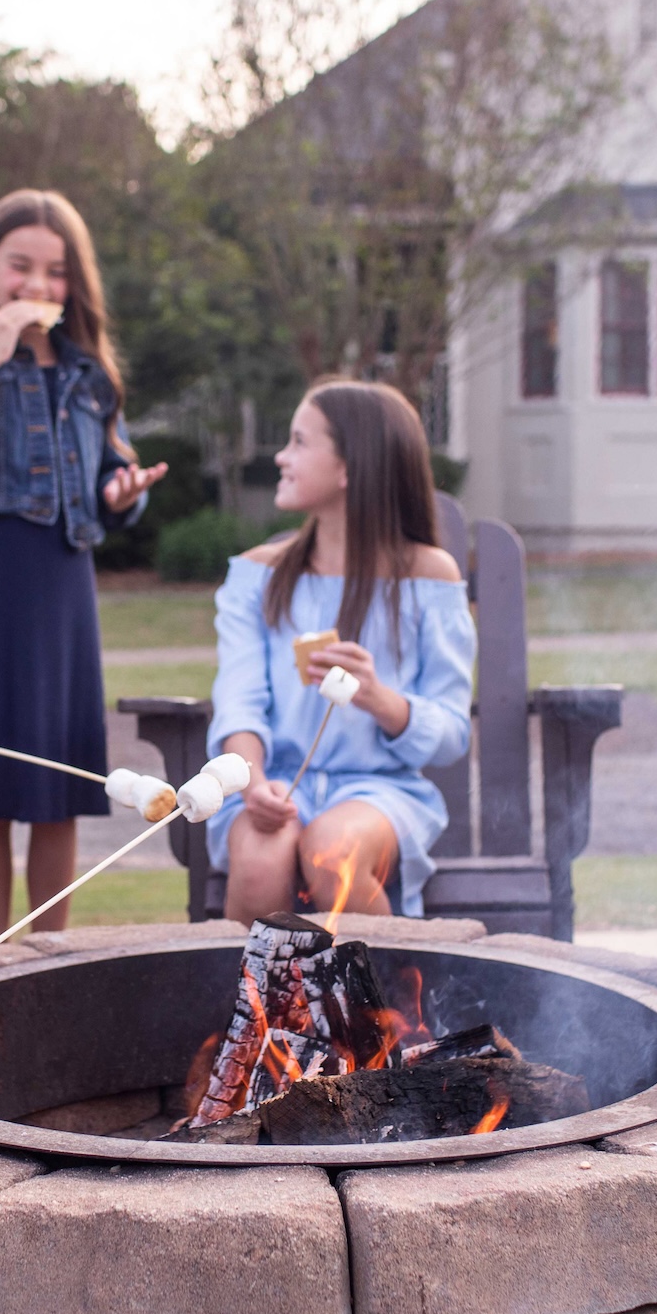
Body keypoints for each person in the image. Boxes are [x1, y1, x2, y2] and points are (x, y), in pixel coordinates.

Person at [0, 189, 168, 943]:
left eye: (55, 272)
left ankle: (48, 953)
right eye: (21, 267)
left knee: (60, 784)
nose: (38, 287)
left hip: (63, 587)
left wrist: (123, 494)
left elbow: (110, 484)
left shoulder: (90, 372)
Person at [206, 381, 473, 921]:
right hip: (273, 782)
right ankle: (260, 1008)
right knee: (261, 860)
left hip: (381, 792)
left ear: (351, 468)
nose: (281, 456)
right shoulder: (256, 577)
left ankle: (383, 1006)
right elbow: (240, 703)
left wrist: (380, 699)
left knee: (332, 853)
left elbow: (450, 733)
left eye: (300, 442)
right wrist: (252, 784)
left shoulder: (428, 578)